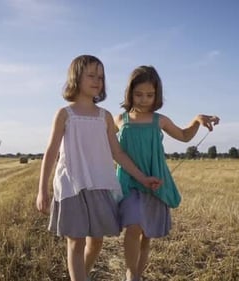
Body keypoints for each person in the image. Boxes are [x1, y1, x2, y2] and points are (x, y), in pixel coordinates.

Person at [36, 55, 162, 281]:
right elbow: (51, 152)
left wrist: (143, 178)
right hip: (71, 185)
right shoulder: (65, 114)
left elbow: (118, 153)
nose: (97, 81)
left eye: (101, 77)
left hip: (99, 184)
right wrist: (42, 190)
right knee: (75, 240)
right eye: (91, 75)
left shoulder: (104, 117)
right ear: (76, 77)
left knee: (96, 240)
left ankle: (81, 274)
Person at [115, 65, 220, 281]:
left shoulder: (159, 120)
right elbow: (104, 141)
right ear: (129, 93)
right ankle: (130, 272)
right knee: (133, 227)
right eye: (138, 94)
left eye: (150, 95)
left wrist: (197, 120)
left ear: (157, 95)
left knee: (147, 236)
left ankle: (138, 275)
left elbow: (183, 136)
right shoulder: (120, 119)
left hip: (154, 182)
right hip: (129, 182)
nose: (144, 99)